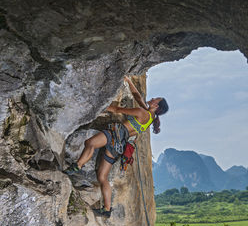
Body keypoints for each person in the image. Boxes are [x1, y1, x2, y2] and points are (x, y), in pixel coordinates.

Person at [63, 75, 169, 218]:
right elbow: (138, 97)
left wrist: (101, 106)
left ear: (156, 106)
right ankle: (107, 209)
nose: (153, 98)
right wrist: (129, 81)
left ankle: (78, 165)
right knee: (102, 176)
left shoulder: (142, 112)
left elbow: (118, 109)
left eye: (156, 99)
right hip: (120, 144)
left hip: (115, 134)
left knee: (90, 143)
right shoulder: (150, 118)